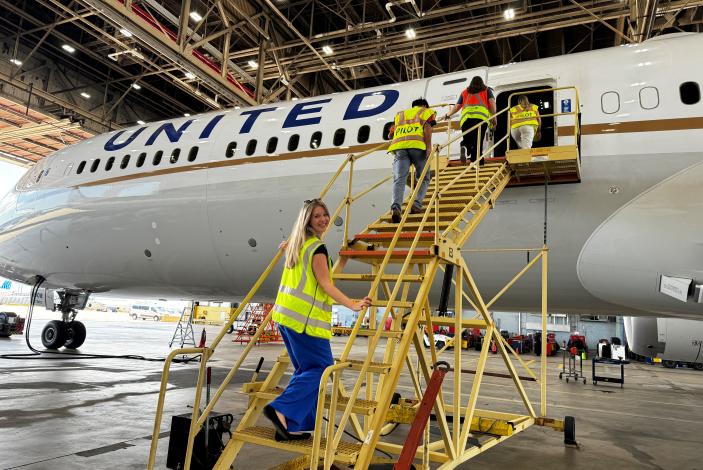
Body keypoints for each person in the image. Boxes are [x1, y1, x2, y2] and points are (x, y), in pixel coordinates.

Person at [264, 199, 371, 441]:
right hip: (306, 322)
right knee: (321, 368)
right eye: (316, 216)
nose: (323, 219)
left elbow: (323, 279)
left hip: (286, 318)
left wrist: (343, 259)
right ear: (308, 221)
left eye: (325, 214)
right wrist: (352, 304)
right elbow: (326, 285)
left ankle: (288, 426)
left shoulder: (297, 246)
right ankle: (281, 409)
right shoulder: (316, 249)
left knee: (305, 371)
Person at [387, 98, 437, 223]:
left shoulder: (401, 115)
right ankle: (416, 204)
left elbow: (390, 135)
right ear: (424, 105)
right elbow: (427, 128)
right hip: (417, 147)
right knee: (423, 178)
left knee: (399, 179)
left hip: (400, 149)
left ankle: (396, 208)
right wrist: (429, 147)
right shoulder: (426, 112)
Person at [443, 76, 496, 165]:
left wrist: (447, 115)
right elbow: (492, 104)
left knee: (467, 139)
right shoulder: (487, 90)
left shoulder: (465, 92)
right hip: (480, 119)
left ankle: (464, 146)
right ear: (482, 83)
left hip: (465, 119)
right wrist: (494, 118)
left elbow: (457, 106)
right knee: (477, 141)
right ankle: (476, 162)